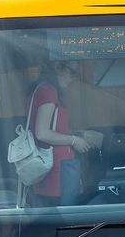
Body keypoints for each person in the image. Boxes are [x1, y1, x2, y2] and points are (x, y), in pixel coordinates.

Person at [27, 62, 103, 205]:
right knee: (67, 216)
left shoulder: (39, 91)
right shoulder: (48, 91)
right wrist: (74, 140)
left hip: (53, 168)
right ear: (58, 68)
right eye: (72, 72)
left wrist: (75, 134)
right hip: (58, 169)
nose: (74, 78)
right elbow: (42, 133)